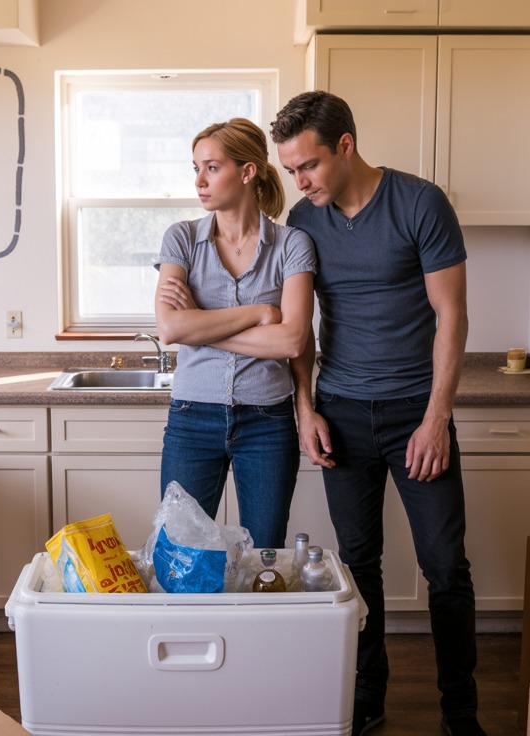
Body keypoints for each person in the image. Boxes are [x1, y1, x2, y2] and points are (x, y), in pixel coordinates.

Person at [271, 91, 481, 736]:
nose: (300, 183)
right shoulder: (306, 224)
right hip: (342, 414)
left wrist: (436, 418)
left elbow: (452, 316)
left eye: (307, 166)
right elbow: (299, 332)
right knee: (358, 565)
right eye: (289, 172)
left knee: (445, 566)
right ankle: (368, 695)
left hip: (417, 413)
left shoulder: (420, 203)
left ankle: (460, 711)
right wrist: (306, 409)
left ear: (346, 145)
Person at [154, 117, 316, 550]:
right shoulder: (182, 239)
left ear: (247, 172)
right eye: (195, 169)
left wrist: (200, 327)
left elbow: (291, 340)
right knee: (180, 554)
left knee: (264, 555)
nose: (199, 182)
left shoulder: (292, 244)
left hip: (267, 420)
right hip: (192, 417)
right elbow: (170, 327)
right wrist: (260, 312)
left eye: (212, 167)